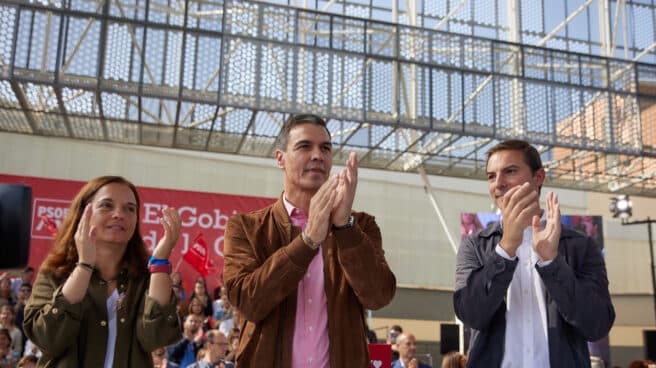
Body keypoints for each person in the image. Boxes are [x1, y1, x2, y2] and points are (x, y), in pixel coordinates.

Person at [223, 113, 396, 367]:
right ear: (280, 158)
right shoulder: (246, 228)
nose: (317, 155)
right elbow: (248, 302)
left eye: (325, 148)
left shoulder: (361, 226)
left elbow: (379, 296)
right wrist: (307, 241)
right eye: (304, 146)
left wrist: (345, 228)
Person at [454, 140, 615, 368]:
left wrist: (552, 263)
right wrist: (506, 248)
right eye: (491, 176)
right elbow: (471, 315)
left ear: (538, 178)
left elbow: (597, 325)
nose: (498, 184)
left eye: (509, 171)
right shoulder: (474, 245)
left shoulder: (581, 246)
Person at [24, 175, 183, 367]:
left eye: (129, 209)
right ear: (84, 213)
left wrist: (160, 261)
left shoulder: (146, 277)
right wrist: (84, 266)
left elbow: (155, 338)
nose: (119, 214)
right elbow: (48, 338)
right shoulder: (55, 271)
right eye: (107, 205)